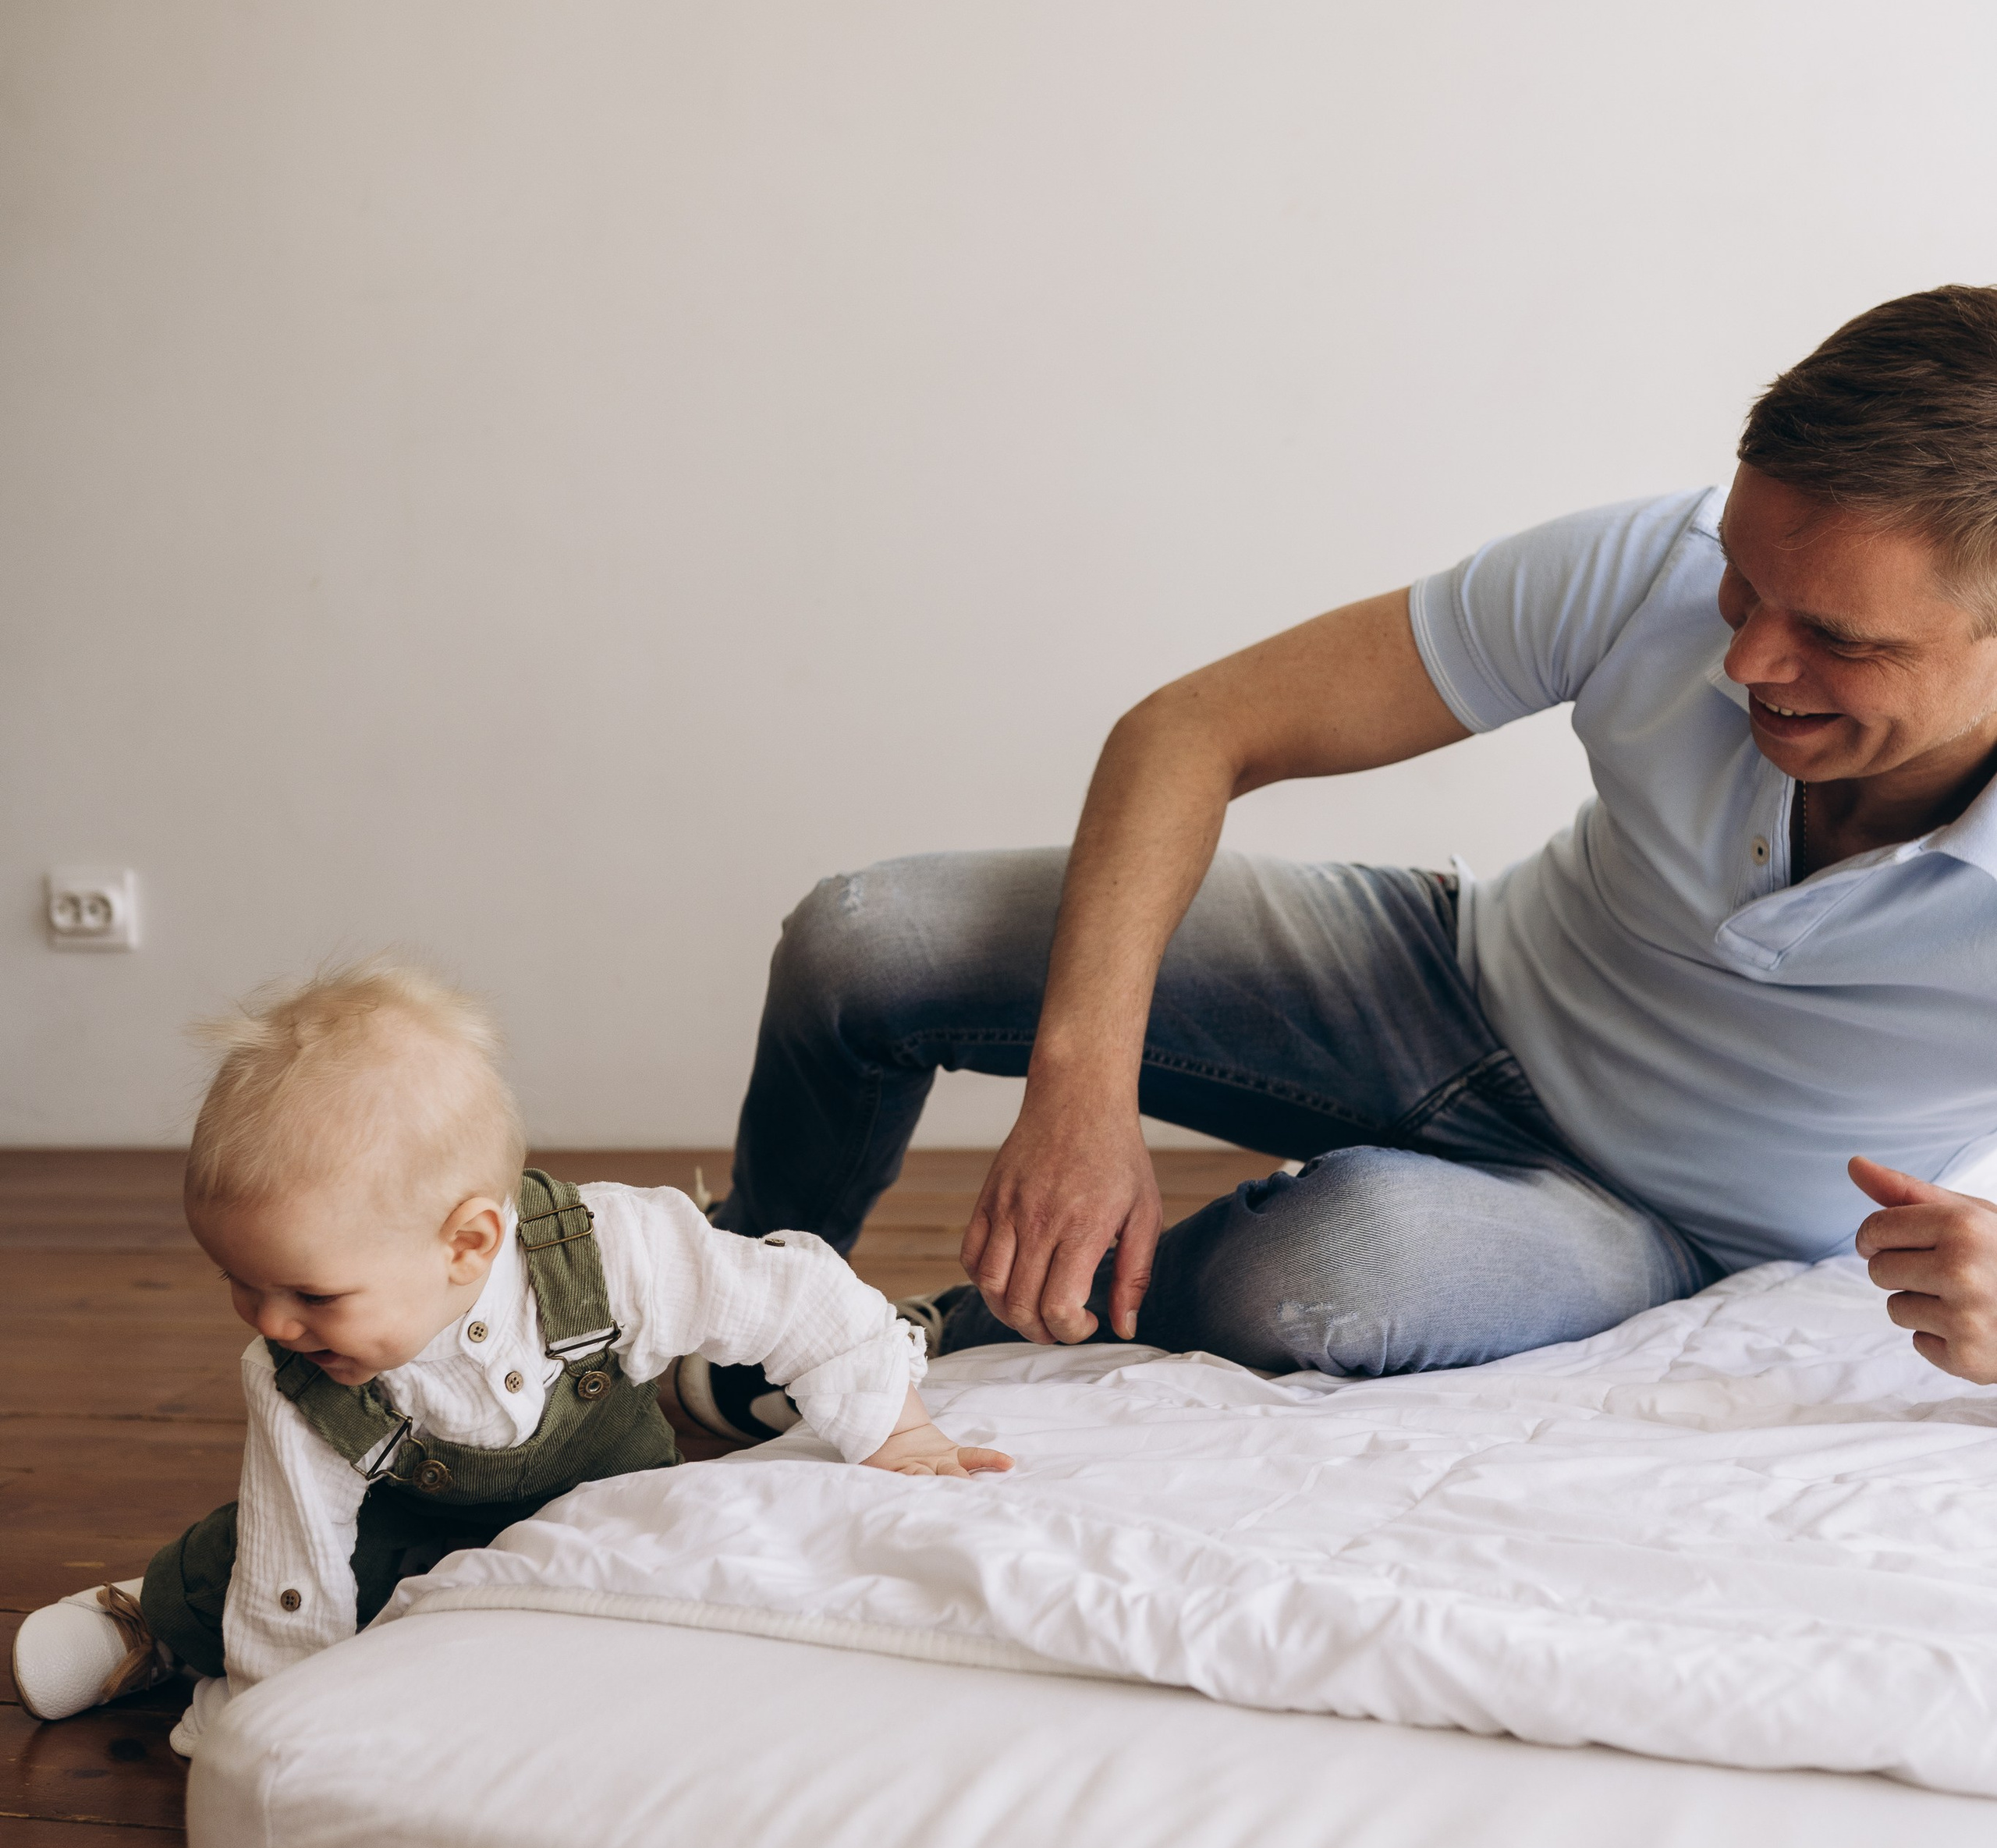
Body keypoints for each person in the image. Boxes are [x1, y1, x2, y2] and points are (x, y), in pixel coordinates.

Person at [700, 282, 1997, 1428]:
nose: (1747, 660)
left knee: (1335, 1274)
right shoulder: (1653, 559)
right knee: (866, 935)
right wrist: (1082, 1088)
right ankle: (723, 1303)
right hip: (1446, 978)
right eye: (1743, 583)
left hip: (1655, 1226)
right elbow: (1194, 730)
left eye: (1837, 636)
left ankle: (896, 1342)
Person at [12, 963, 1007, 1736]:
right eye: (241, 1282)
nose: (269, 1323)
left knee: (695, 1585)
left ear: (469, 1243)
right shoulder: (295, 1377)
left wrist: (895, 1429)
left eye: (311, 1294)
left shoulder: (614, 1251)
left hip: (607, 1511)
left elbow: (800, 1300)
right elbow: (295, 1553)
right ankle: (157, 1618)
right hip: (406, 1527)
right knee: (267, 1561)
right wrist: (279, 1714)